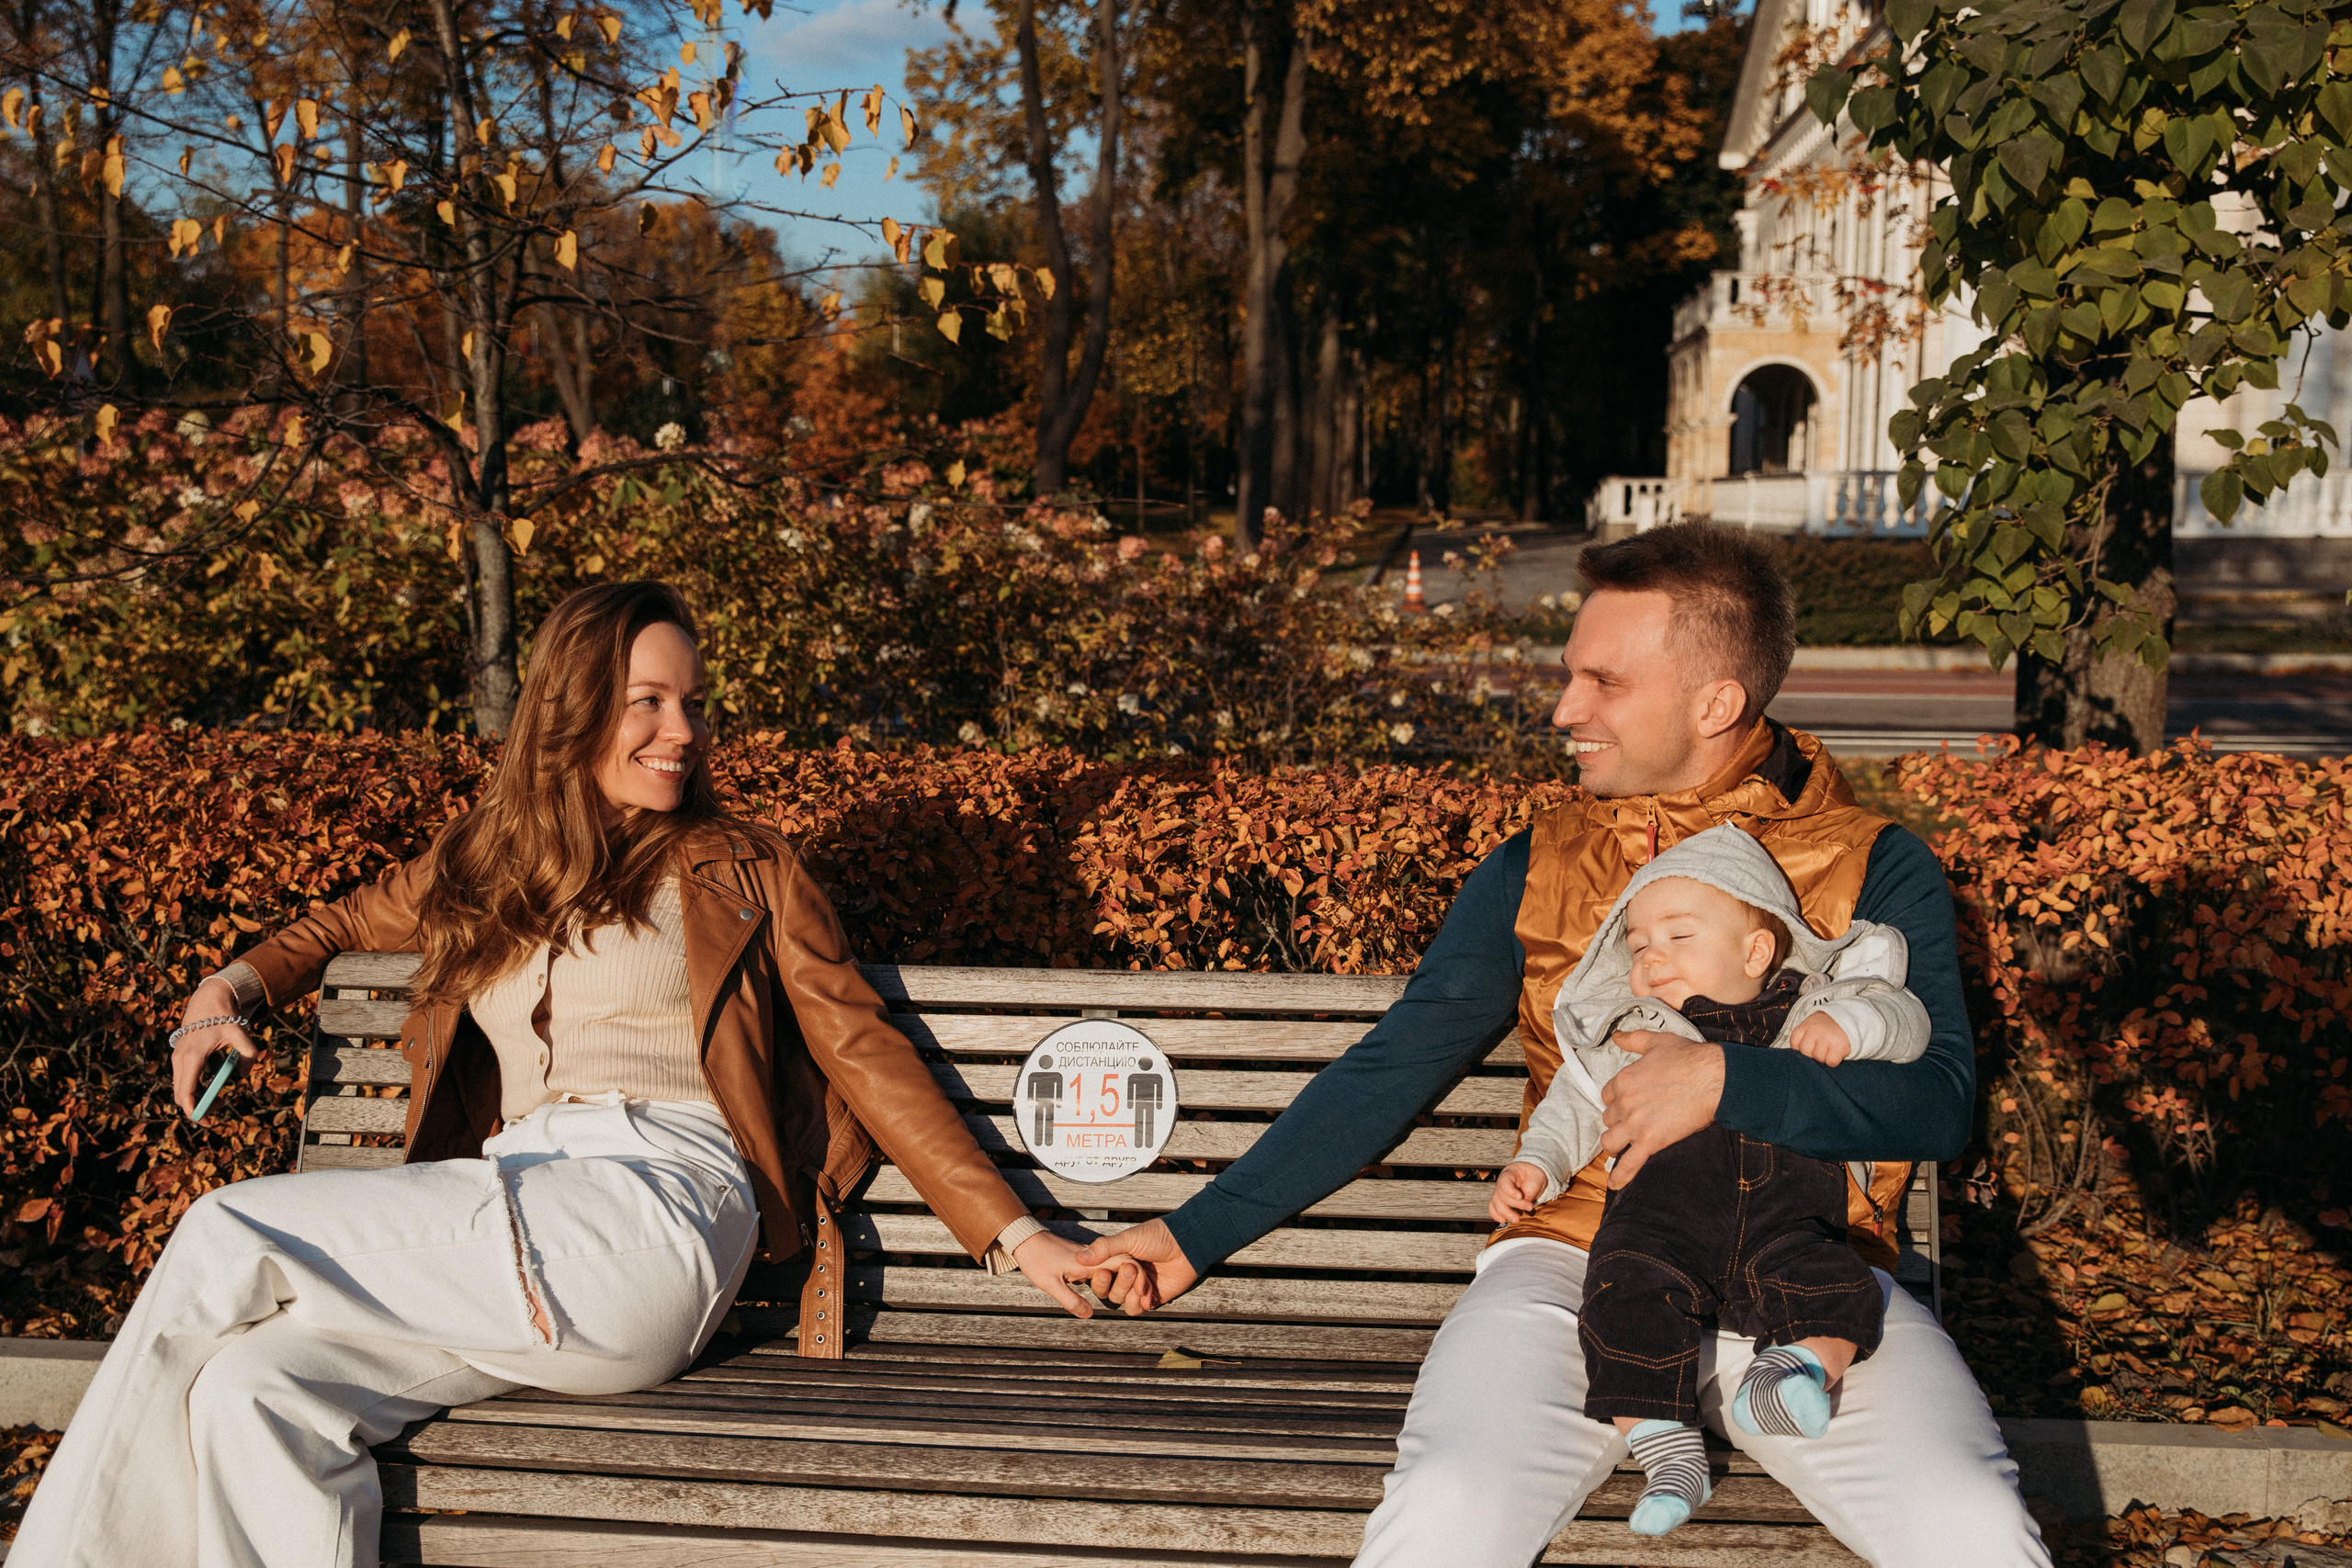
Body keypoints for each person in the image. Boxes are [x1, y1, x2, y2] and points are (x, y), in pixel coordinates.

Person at [16, 582, 1096, 1568]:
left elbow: (862, 1045)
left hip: (653, 1211)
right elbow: (345, 919)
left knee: (226, 1231)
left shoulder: (742, 865)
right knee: (262, 1392)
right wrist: (229, 989)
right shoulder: (494, 854)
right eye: (648, 702)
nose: (683, 731)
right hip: (510, 1218)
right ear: (570, 708)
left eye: (692, 702)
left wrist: (1015, 1235)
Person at [1070, 523, 2052, 1567]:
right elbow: (1399, 1062)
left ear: (1716, 702)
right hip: (1577, 1261)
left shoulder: (1873, 865)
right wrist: (1190, 1235)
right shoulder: (1540, 858)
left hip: (1814, 1279)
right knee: (1449, 1506)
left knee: (1972, 1526)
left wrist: (1727, 1078)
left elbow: (1938, 1102)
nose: (1563, 710)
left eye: (1603, 682)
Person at [1490, 825, 1930, 1537]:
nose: (1653, 958)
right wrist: (1536, 1165)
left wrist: (1852, 1023)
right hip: (1660, 1229)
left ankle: (1783, 1379)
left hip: (1790, 1226)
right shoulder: (1634, 1031)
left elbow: (1906, 1021)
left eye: (1678, 937)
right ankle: (1668, 1454)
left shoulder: (1812, 1008)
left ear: (1757, 950)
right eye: (1638, 947)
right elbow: (1573, 1102)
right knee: (1617, 1300)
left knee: (1838, 1287)